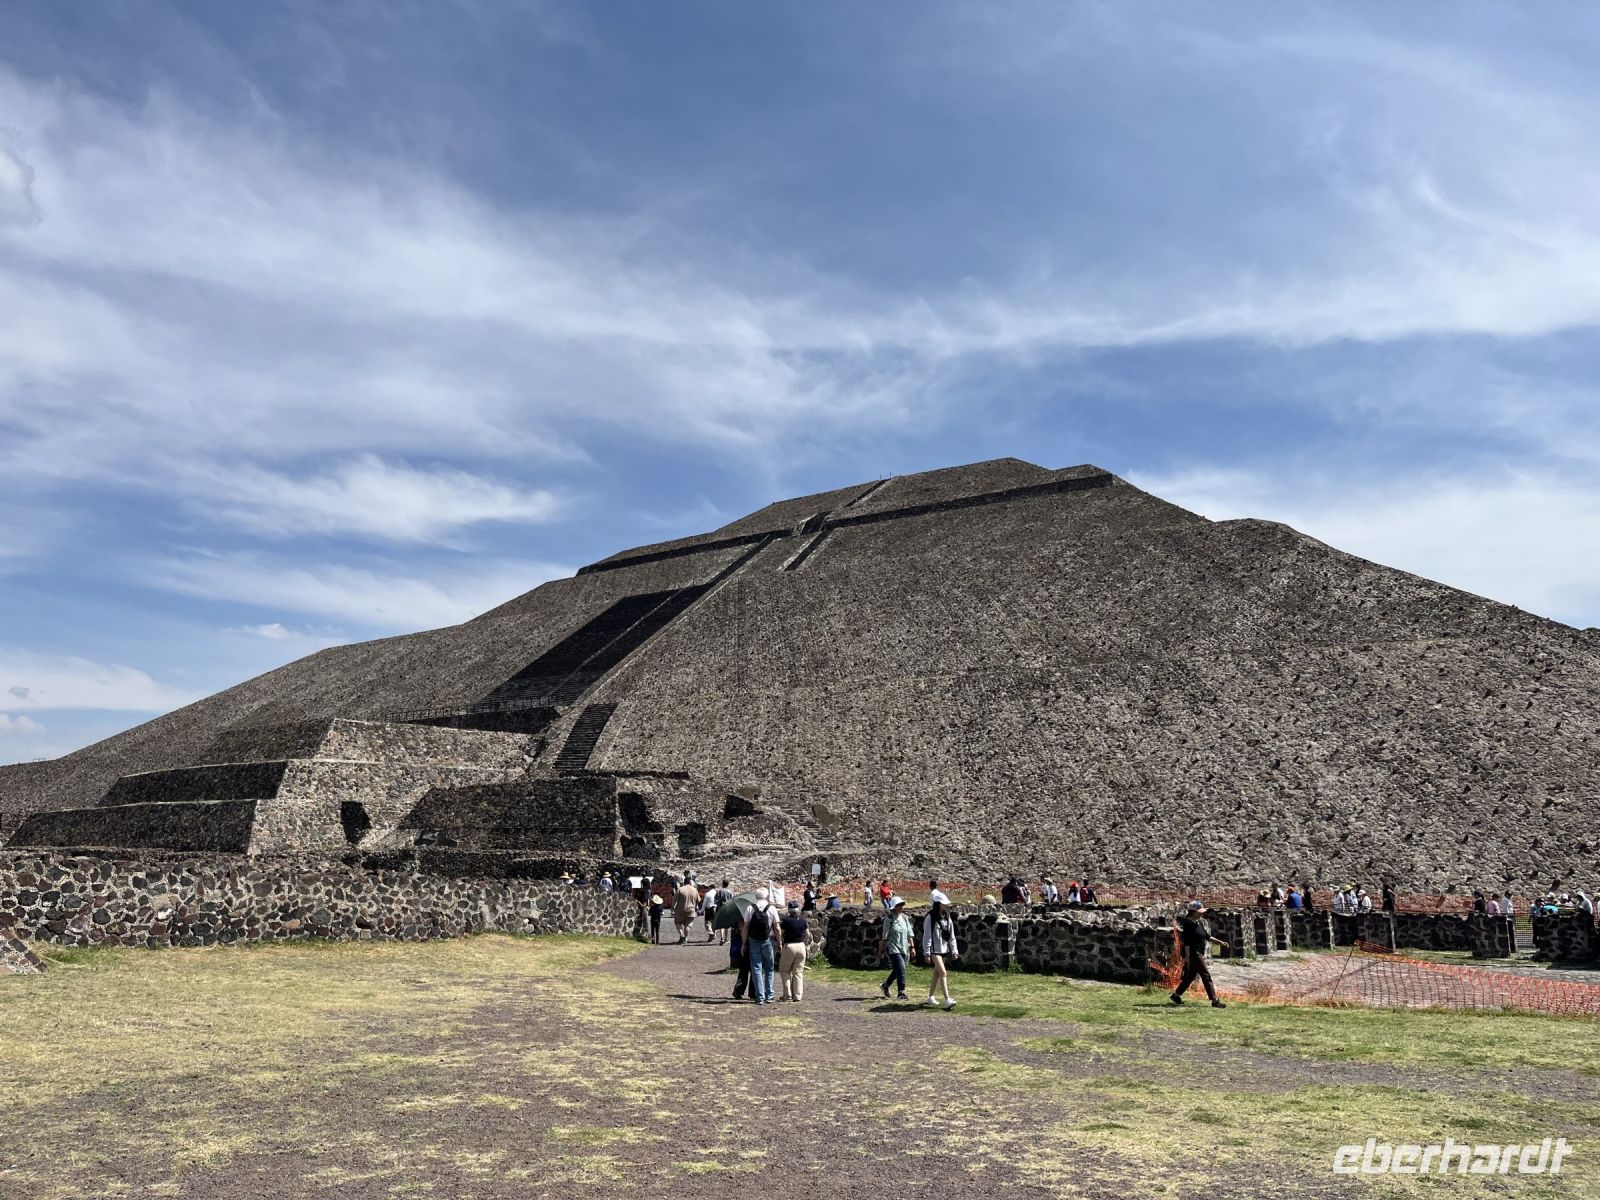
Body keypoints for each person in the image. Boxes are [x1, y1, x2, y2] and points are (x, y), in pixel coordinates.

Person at [1170, 900, 1228, 1008]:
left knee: (1190, 976)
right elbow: (1187, 942)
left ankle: (1176, 995)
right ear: (1193, 911)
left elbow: (1207, 936)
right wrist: (1187, 957)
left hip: (1198, 953)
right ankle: (1214, 1000)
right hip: (1194, 953)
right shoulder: (1188, 923)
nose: (1202, 913)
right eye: (1199, 911)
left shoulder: (1198, 922)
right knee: (1206, 975)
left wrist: (1220, 942)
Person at [921, 899, 960, 1010]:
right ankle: (947, 999)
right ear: (939, 904)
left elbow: (952, 936)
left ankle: (930, 997)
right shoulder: (930, 918)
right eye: (945, 904)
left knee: (937, 974)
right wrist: (927, 952)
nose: (947, 906)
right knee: (943, 972)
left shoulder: (947, 917)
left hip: (944, 950)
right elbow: (927, 936)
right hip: (934, 950)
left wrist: (954, 951)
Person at [742, 886, 779, 1005]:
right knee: (769, 968)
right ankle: (769, 995)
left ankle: (760, 996)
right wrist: (779, 942)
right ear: (766, 896)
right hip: (768, 940)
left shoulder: (750, 908)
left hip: (754, 941)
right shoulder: (771, 908)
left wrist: (743, 943)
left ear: (756, 896)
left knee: (756, 969)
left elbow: (745, 927)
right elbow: (777, 927)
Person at [879, 896, 914, 1001]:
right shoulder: (889, 919)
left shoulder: (904, 918)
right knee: (901, 967)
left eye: (902, 904)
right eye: (899, 905)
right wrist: (881, 950)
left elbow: (909, 933)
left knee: (898, 969)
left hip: (903, 947)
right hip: (892, 947)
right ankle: (901, 992)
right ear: (894, 907)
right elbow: (884, 936)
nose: (901, 907)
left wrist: (912, 947)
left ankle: (885, 985)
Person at [778, 899, 812, 1002]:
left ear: (789, 909)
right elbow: (807, 934)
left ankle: (787, 994)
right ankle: (797, 996)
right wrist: (804, 942)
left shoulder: (786, 921)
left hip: (790, 946)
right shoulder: (803, 920)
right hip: (801, 946)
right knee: (798, 972)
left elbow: (780, 933)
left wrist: (780, 942)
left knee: (785, 970)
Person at [673, 876, 700, 945]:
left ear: (684, 882)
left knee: (677, 923)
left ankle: (681, 935)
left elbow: (674, 900)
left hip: (680, 909)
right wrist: (695, 907)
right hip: (691, 909)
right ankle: (685, 938)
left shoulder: (680, 889)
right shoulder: (694, 890)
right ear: (690, 882)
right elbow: (698, 900)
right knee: (688, 925)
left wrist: (672, 908)